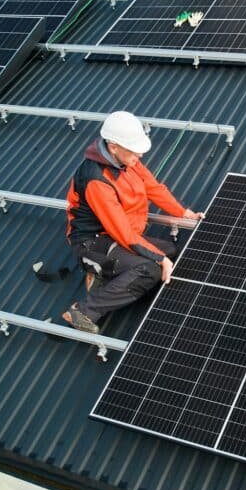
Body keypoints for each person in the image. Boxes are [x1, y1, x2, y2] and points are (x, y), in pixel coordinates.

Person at [63, 111, 203, 334]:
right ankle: (83, 311)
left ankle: (107, 271)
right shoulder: (96, 180)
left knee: (169, 249)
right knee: (150, 270)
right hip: (92, 242)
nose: (139, 155)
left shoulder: (128, 160)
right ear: (113, 147)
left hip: (116, 235)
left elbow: (152, 187)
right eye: (133, 149)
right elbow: (123, 233)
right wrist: (159, 260)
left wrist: (183, 212)